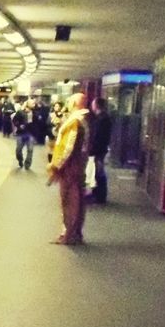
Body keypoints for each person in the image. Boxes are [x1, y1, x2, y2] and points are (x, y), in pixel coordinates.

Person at [46, 92, 90, 245]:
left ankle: (69, 234)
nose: (68, 105)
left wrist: (55, 166)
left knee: (69, 200)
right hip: (78, 166)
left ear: (75, 104)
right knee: (77, 200)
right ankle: (75, 233)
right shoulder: (83, 120)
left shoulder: (75, 122)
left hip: (70, 168)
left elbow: (68, 148)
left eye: (70, 102)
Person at [88, 96, 113, 204]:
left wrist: (92, 149)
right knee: (97, 172)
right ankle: (96, 193)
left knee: (99, 172)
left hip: (99, 150)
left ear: (97, 105)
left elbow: (98, 136)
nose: (92, 106)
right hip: (100, 149)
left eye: (93, 104)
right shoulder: (102, 118)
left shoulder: (102, 119)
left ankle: (100, 196)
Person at [12, 100, 35, 170]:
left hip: (31, 134)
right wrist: (19, 126)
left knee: (30, 150)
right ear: (27, 104)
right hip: (21, 134)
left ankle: (27, 164)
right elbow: (14, 120)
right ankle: (20, 160)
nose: (34, 104)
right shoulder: (20, 112)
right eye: (32, 103)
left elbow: (38, 123)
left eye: (34, 103)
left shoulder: (35, 113)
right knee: (18, 150)